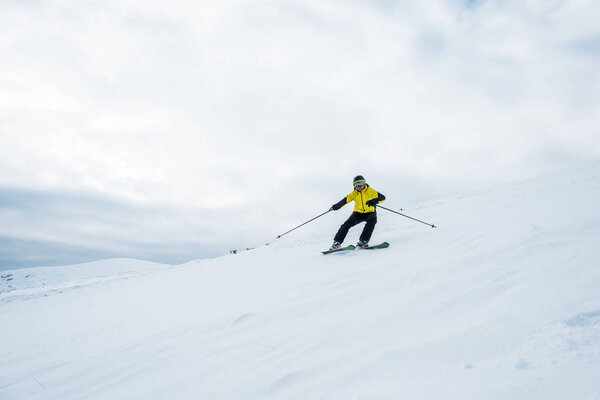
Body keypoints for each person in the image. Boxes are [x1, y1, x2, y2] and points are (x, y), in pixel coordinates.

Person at [329, 175, 386, 249]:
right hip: (357, 214)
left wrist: (373, 201)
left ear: (364, 183)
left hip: (370, 213)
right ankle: (336, 243)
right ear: (354, 186)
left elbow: (382, 198)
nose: (359, 186)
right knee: (345, 225)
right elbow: (345, 200)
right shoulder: (354, 193)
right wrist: (336, 206)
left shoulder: (370, 191)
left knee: (372, 221)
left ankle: (363, 241)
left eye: (361, 183)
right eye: (356, 184)